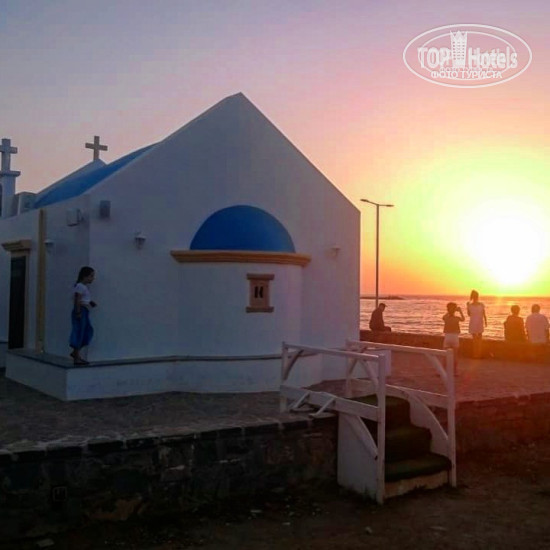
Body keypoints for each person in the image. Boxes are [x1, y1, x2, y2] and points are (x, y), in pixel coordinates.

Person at [69, 266, 97, 365]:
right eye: (91, 276)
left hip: (84, 310)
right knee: (79, 332)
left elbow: (83, 299)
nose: (92, 278)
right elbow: (77, 299)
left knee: (87, 331)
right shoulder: (80, 286)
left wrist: (90, 302)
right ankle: (76, 357)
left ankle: (76, 352)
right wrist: (78, 312)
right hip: (81, 310)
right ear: (85, 276)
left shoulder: (83, 287)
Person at [442, 302, 464, 374]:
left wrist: (449, 311)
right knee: (455, 355)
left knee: (445, 355)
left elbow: (443, 317)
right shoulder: (457, 318)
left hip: (447, 337)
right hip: (455, 337)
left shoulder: (446, 318)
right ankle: (455, 371)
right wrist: (460, 311)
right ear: (455, 310)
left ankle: (443, 370)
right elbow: (463, 319)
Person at [466, 290, 487, 358]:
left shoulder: (478, 305)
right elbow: (483, 314)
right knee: (478, 340)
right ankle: (477, 355)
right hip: (477, 322)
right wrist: (485, 321)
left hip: (475, 323)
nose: (476, 297)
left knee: (476, 340)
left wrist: (485, 321)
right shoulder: (479, 305)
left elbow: (469, 314)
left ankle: (476, 355)